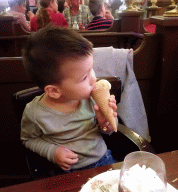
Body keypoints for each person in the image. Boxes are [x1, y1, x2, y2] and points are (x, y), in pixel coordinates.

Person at [21, 25, 118, 172]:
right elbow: (28, 140)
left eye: (91, 68)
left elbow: (109, 131)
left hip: (104, 159)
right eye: (84, 77)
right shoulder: (35, 113)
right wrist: (52, 152)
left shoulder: (90, 98)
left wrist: (106, 124)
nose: (93, 79)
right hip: (68, 172)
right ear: (54, 91)